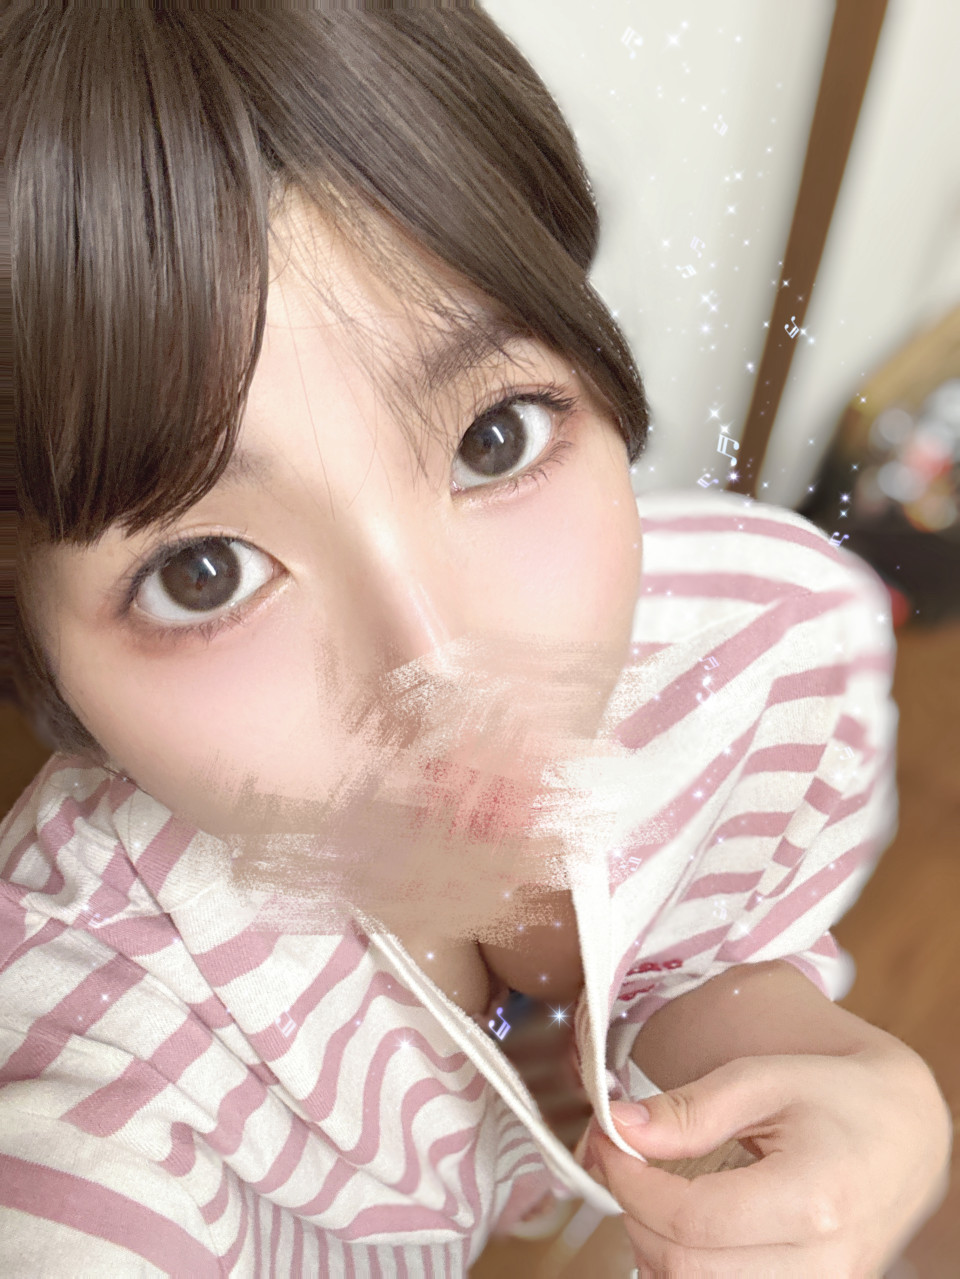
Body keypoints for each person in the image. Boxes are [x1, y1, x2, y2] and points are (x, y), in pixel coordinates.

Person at [0, 5, 950, 1276]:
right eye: (202, 572)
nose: (440, 669)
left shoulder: (766, 650)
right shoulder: (96, 1033)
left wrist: (817, 1063)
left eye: (492, 437)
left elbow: (709, 940)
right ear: (36, 660)